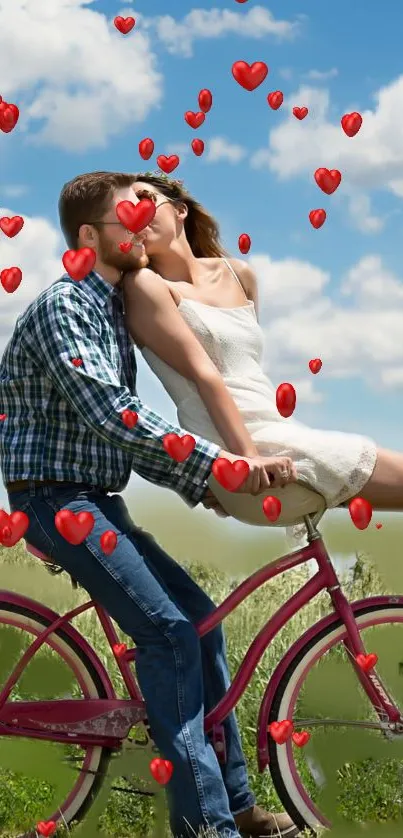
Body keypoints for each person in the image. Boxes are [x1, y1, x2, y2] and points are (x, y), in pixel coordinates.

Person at [0, 171, 300, 838]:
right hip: (54, 501)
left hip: (96, 499)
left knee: (200, 624)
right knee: (167, 635)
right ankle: (208, 828)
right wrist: (220, 462)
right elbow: (114, 416)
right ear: (88, 236)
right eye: (126, 217)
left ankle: (237, 805)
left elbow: (125, 442)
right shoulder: (65, 309)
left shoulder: (110, 312)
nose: (142, 226)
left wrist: (201, 486)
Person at [121, 172, 403, 533]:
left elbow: (249, 374)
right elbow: (206, 377)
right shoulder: (145, 285)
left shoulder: (239, 274)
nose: (137, 214)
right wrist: (246, 460)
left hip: (276, 434)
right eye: (125, 211)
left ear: (179, 210)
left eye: (145, 199)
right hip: (240, 453)